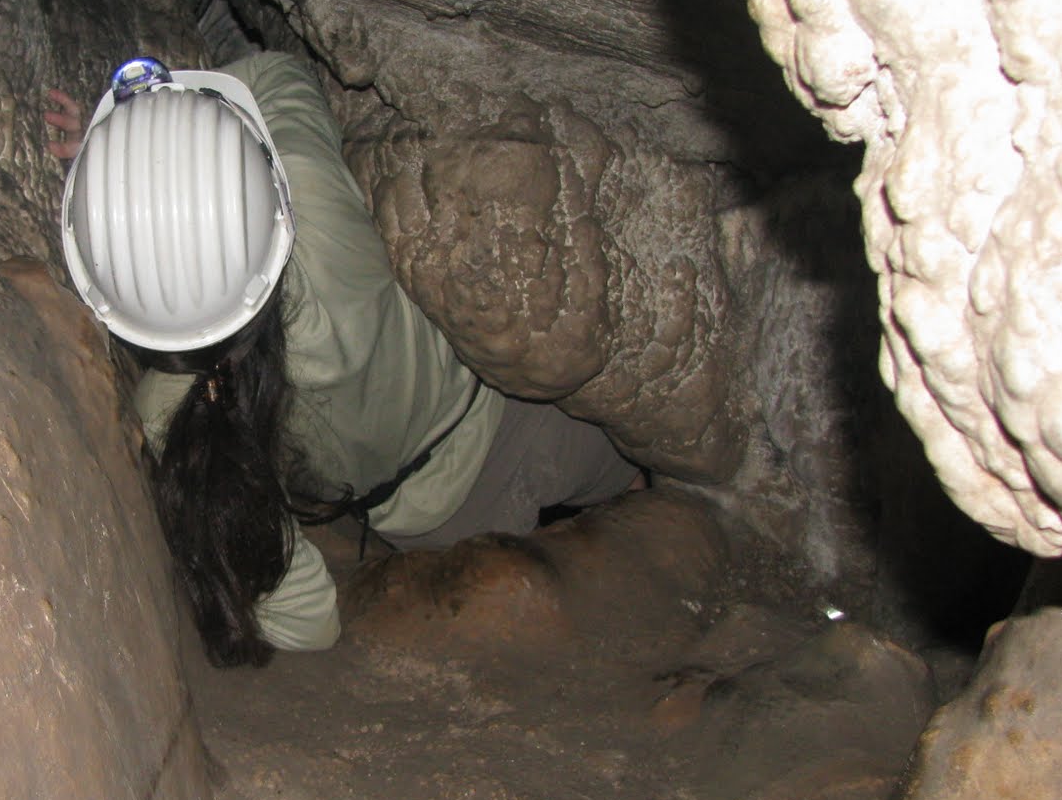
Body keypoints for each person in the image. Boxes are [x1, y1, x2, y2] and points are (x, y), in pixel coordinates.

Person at [50, 53, 640, 667]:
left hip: (437, 524)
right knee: (649, 522)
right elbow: (277, 74)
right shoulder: (316, 218)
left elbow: (309, 621)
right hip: (526, 418)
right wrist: (134, 136)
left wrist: (119, 198)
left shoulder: (168, 411)